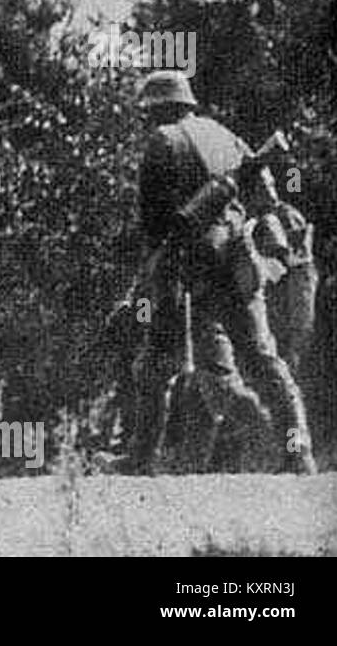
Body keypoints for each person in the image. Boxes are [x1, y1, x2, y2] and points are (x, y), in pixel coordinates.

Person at [129, 70, 315, 476]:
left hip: (191, 266)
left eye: (149, 112)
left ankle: (141, 457)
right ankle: (298, 451)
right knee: (264, 361)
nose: (146, 121)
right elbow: (267, 196)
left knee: (155, 363)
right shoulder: (225, 135)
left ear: (160, 109)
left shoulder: (163, 141)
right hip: (240, 262)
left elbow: (154, 223)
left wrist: (152, 276)